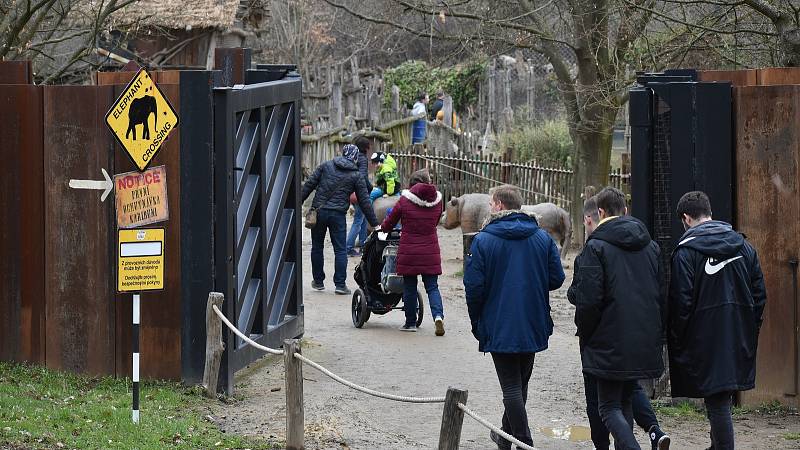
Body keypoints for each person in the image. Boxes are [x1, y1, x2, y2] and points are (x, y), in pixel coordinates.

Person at [464, 185, 565, 449]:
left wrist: (477, 322)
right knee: (520, 383)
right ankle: (504, 435)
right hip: (533, 319)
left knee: (511, 386)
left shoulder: (483, 240)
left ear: (498, 205)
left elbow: (474, 287)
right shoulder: (542, 238)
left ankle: (523, 441)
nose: (488, 206)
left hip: (499, 320)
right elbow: (556, 278)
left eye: (490, 202)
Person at [569, 195, 671, 450]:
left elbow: (588, 300)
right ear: (625, 210)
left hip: (607, 340)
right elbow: (662, 294)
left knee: (608, 407)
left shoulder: (596, 247)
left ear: (600, 212)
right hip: (644, 337)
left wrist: (589, 336)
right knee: (625, 401)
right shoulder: (652, 247)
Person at [668, 191, 766, 450]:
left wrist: (679, 340)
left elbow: (681, 303)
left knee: (718, 401)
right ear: (709, 213)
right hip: (739, 334)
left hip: (705, 338)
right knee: (720, 398)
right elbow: (759, 294)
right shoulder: (745, 246)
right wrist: (750, 327)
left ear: (686, 218)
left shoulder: (685, 253)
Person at [302, 144, 379, 295]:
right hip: (337, 215)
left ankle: (318, 281)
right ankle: (340, 284)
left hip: (319, 212)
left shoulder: (326, 165)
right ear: (356, 157)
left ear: (343, 154)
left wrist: (295, 205)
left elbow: (309, 185)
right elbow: (364, 201)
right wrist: (375, 224)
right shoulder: (356, 175)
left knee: (317, 247)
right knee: (340, 250)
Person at [380, 169, 445, 334]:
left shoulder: (404, 200)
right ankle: (438, 316)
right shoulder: (438, 201)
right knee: (432, 287)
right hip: (430, 248)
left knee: (409, 286)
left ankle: (410, 323)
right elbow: (436, 221)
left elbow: (390, 221)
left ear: (411, 185)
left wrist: (383, 229)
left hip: (409, 249)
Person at [346, 136, 373, 257]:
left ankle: (363, 245)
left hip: (351, 191)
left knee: (362, 220)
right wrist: (370, 187)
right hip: (360, 192)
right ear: (366, 147)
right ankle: (348, 247)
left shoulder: (353, 158)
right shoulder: (362, 159)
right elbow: (362, 176)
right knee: (358, 220)